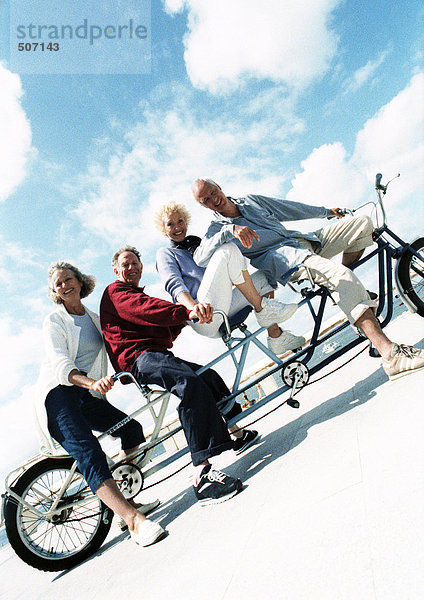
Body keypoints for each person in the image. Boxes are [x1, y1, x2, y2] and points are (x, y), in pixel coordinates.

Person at [191, 179, 424, 380]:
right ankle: (390, 355)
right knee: (342, 277)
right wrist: (230, 231)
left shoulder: (251, 201)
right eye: (206, 201)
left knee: (362, 224)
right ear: (204, 206)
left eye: (213, 192)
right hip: (288, 260)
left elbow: (289, 209)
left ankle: (340, 292)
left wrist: (326, 212)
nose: (213, 200)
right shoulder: (217, 228)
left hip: (305, 241)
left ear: (219, 187)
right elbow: (200, 258)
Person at [99, 246, 246, 506]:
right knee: (188, 383)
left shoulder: (133, 293)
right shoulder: (116, 292)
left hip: (155, 354)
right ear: (115, 270)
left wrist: (189, 318)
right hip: (138, 359)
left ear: (141, 267)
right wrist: (184, 311)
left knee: (207, 376)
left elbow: (161, 326)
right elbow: (146, 309)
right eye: (125, 264)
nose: (131, 267)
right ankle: (202, 474)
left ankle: (236, 432)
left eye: (135, 262)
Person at [34, 261, 165, 547]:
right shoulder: (54, 321)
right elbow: (60, 364)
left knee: (131, 429)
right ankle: (133, 521)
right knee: (90, 451)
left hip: (85, 395)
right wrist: (92, 383)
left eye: (68, 279)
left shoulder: (95, 318)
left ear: (80, 282)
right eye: (58, 284)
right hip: (59, 394)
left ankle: (126, 503)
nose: (65, 285)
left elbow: (118, 342)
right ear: (55, 292)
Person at [154, 200, 305, 354]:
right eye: (170, 224)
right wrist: (194, 307)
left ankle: (276, 336)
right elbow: (174, 285)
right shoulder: (165, 253)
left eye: (180, 221)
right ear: (163, 230)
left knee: (265, 276)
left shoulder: (198, 246)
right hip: (202, 314)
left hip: (222, 306)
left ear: (186, 222)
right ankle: (262, 308)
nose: (177, 227)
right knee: (227, 249)